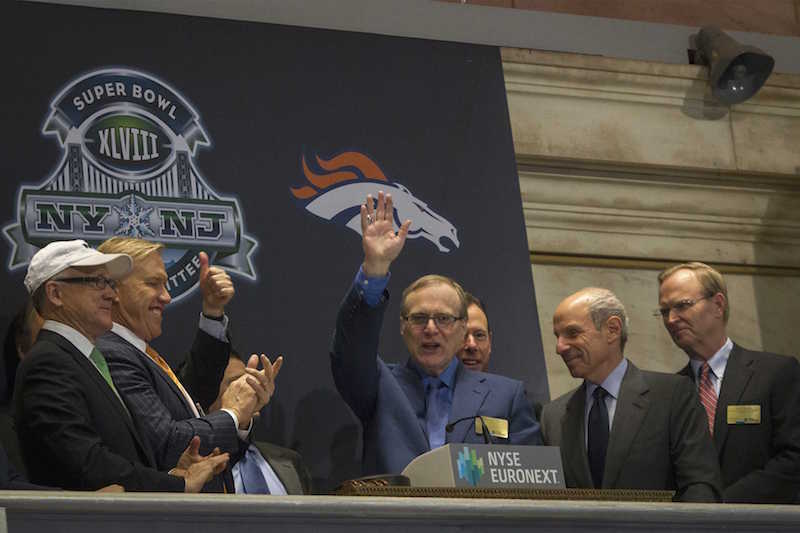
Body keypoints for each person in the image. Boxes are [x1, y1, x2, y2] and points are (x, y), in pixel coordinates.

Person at [331, 192, 541, 476]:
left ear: (463, 328)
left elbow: (532, 481)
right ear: (403, 327)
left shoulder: (507, 395)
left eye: (443, 318)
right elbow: (351, 347)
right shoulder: (379, 385)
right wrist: (375, 268)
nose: (431, 328)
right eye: (419, 318)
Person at [14, 239, 228, 491]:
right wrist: (177, 483)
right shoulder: (48, 364)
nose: (111, 294)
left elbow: (119, 457)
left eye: (109, 283)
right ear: (55, 294)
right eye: (96, 282)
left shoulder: (84, 360)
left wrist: (174, 470)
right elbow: (89, 463)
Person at [95, 237, 277, 477]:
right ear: (114, 289)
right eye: (153, 283)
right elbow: (168, 443)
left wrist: (212, 311)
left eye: (165, 284)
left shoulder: (137, 352)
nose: (167, 297)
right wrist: (233, 414)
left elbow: (192, 399)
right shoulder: (112, 354)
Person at [540, 288, 721, 502]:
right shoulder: (553, 416)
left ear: (612, 329)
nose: (559, 347)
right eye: (557, 336)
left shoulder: (671, 396)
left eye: (572, 333)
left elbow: (700, 485)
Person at [658, 262, 800, 503]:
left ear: (718, 304)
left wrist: (721, 505)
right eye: (664, 311)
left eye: (682, 305)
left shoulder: (776, 373)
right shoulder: (670, 392)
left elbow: (794, 458)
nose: (671, 319)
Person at [210, 353, 312, 495]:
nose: (249, 389)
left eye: (249, 380)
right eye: (236, 383)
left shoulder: (291, 462)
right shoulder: (194, 468)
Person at [456, 293, 492, 372]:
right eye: (463, 335)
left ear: (490, 342)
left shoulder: (510, 384)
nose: (472, 345)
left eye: (479, 335)